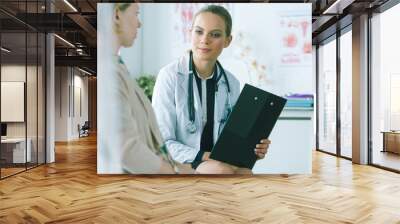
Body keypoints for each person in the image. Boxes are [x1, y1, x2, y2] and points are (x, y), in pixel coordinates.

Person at [152, 5, 271, 174]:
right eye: (199, 32)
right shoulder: (170, 76)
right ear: (190, 33)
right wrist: (204, 156)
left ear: (227, 41)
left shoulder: (231, 82)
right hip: (181, 161)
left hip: (216, 162)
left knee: (245, 172)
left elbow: (233, 139)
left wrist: (253, 150)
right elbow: (162, 142)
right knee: (220, 171)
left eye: (215, 34)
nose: (205, 40)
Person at [98, 3, 190, 174]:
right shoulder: (109, 72)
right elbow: (127, 150)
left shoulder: (118, 68)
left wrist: (178, 168)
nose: (139, 23)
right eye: (136, 14)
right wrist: (172, 173)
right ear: (117, 15)